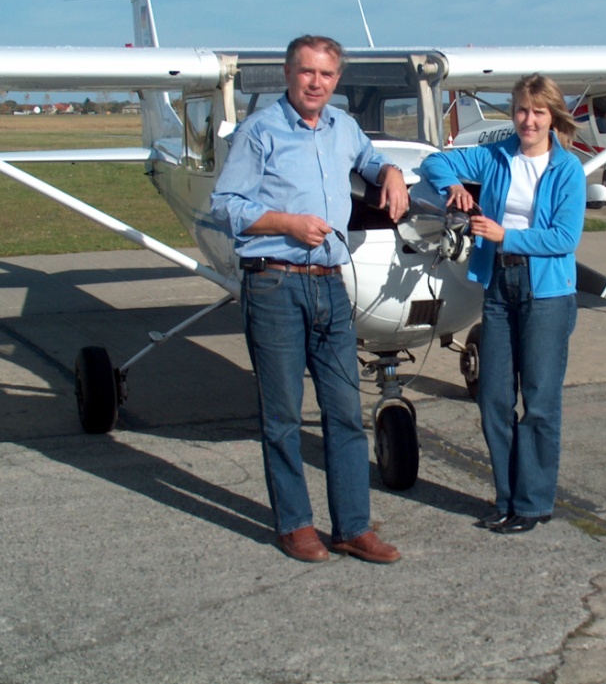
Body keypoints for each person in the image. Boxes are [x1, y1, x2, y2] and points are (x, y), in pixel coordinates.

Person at [210, 35, 408, 564]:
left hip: (331, 283)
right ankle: (294, 525)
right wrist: (286, 224)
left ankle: (351, 527)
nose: (316, 83)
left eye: (326, 74)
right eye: (306, 73)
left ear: (336, 79)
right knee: (282, 416)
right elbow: (225, 205)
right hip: (274, 282)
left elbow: (368, 158)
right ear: (288, 74)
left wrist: (389, 172)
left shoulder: (343, 128)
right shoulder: (259, 132)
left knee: (344, 412)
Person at [420, 73, 585, 534]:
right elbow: (435, 160)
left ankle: (532, 503)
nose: (527, 120)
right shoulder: (495, 156)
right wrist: (453, 186)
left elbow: (565, 237)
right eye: (520, 111)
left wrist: (503, 235)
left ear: (552, 116)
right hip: (499, 285)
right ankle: (506, 498)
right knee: (493, 397)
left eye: (537, 112)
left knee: (539, 400)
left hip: (546, 291)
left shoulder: (567, 169)